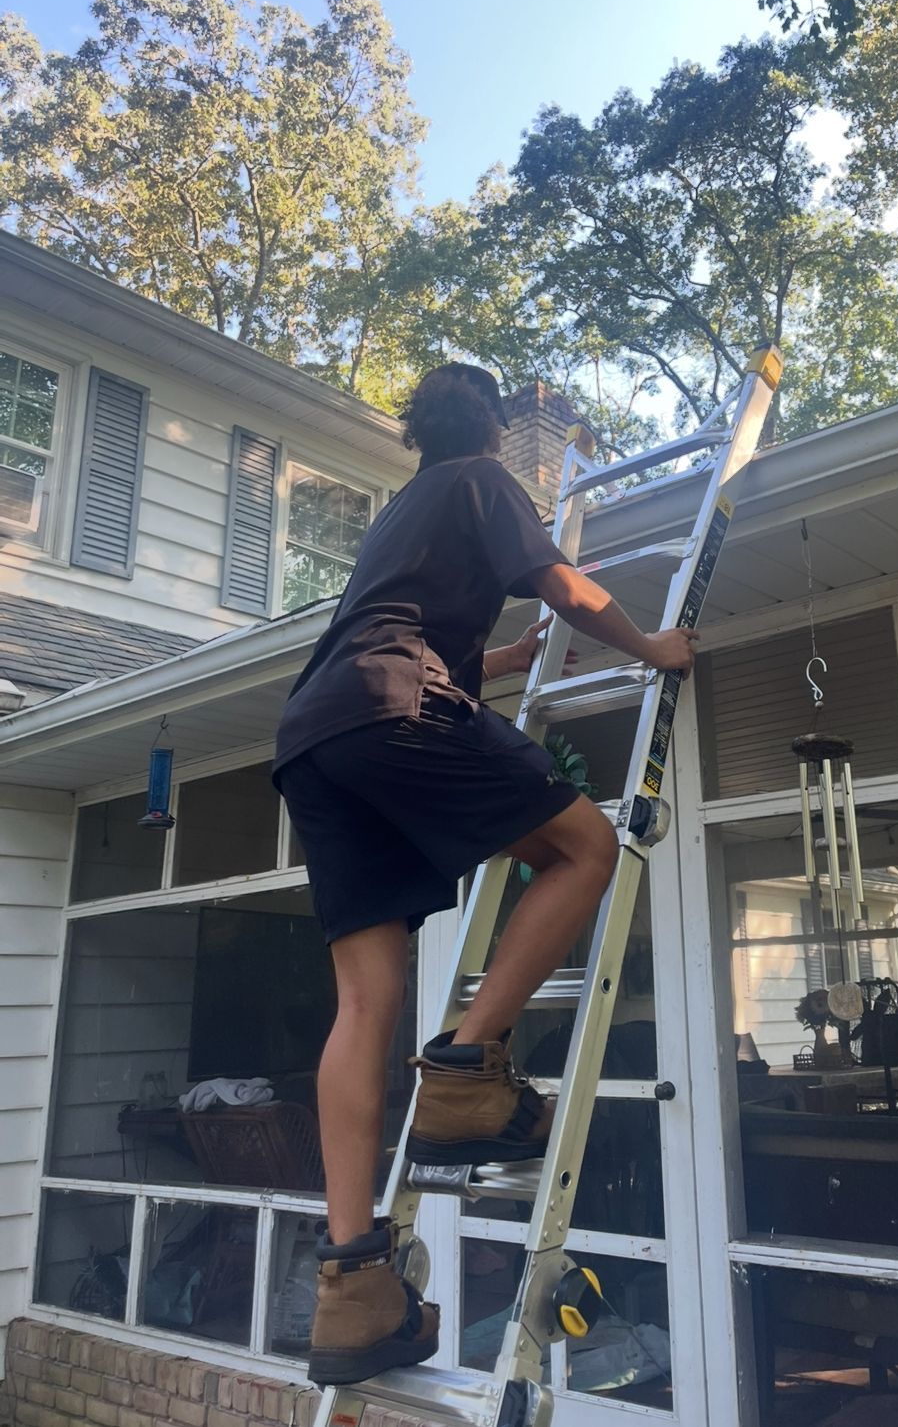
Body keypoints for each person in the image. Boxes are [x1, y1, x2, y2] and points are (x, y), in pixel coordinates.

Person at [272, 363, 697, 1387]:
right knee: (587, 847)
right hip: (392, 705)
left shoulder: (401, 513)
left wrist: (497, 668)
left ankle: (353, 1286)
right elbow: (566, 586)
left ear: (417, 433)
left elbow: (393, 627)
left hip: (312, 736)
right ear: (495, 431)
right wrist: (651, 645)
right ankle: (466, 1070)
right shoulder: (482, 479)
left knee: (363, 1001)